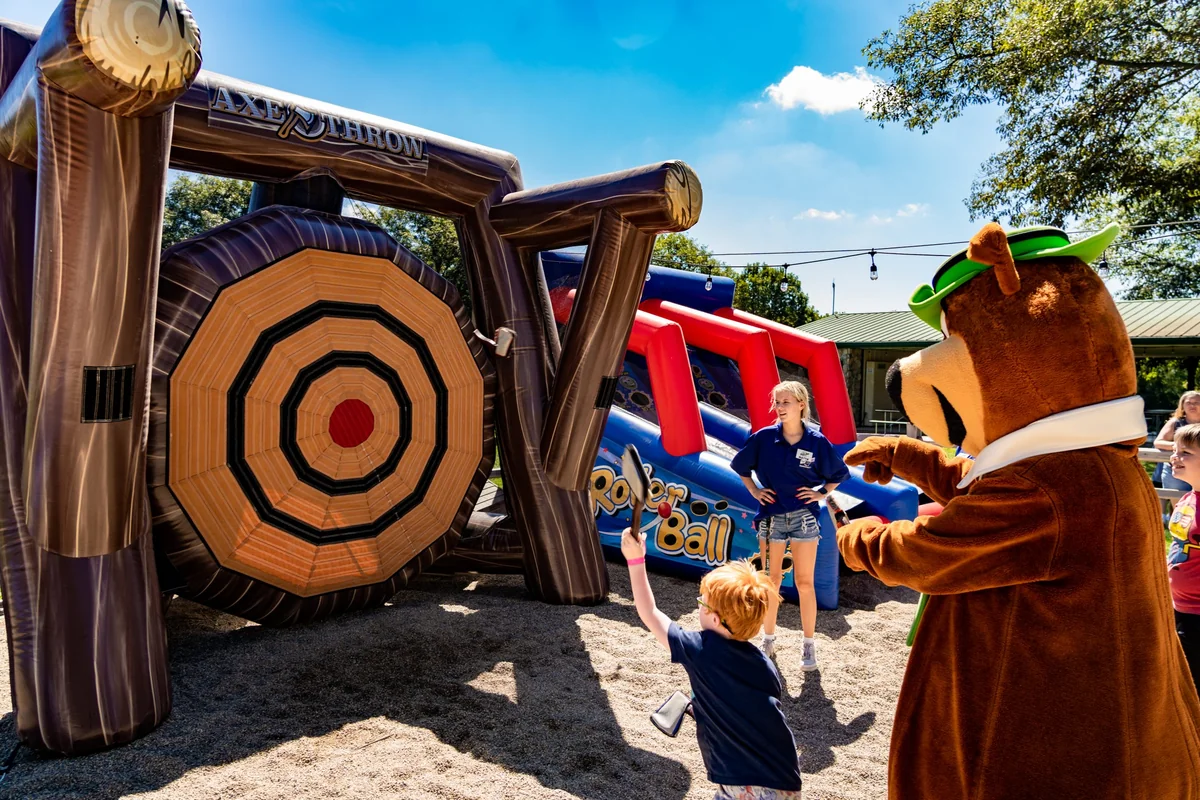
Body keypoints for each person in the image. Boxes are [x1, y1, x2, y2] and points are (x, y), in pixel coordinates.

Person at [620, 528, 803, 799]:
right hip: (784, 777)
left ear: (714, 619)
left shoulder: (701, 649)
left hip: (746, 784)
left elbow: (650, 613)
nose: (698, 608)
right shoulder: (764, 664)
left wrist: (636, 561)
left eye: (701, 603)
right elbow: (750, 708)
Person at [730, 381, 849, 668]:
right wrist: (756, 491)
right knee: (771, 582)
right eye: (777, 403)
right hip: (771, 518)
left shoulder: (817, 442)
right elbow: (741, 467)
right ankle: (768, 639)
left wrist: (821, 493)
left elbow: (839, 474)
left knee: (804, 583)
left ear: (801, 404)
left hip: (805, 517)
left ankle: (808, 645)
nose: (780, 408)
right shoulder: (763, 438)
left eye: (785, 402)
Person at [1165, 423, 1200, 693]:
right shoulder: (1187, 498)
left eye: (1185, 452)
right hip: (1179, 608)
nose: (1175, 457)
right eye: (1175, 451)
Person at [1156, 391, 1200, 491]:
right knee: (1179, 503)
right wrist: (1178, 447)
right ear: (1182, 406)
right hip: (1178, 468)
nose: (1192, 405)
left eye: (1196, 402)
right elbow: (1158, 442)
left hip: (1198, 468)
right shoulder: (1175, 422)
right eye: (1189, 403)